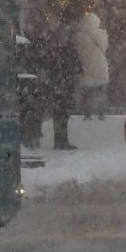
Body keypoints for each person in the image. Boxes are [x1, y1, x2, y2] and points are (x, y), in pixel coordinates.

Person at [41, 8, 82, 150]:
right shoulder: (63, 39)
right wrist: (76, 70)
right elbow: (70, 55)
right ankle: (61, 140)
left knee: (61, 111)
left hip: (60, 78)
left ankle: (60, 139)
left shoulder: (54, 38)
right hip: (63, 78)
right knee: (62, 111)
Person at [73, 9, 110, 120]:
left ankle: (87, 113)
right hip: (101, 66)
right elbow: (105, 47)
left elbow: (79, 52)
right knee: (100, 91)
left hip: (87, 67)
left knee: (88, 92)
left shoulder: (79, 36)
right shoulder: (101, 34)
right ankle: (101, 112)